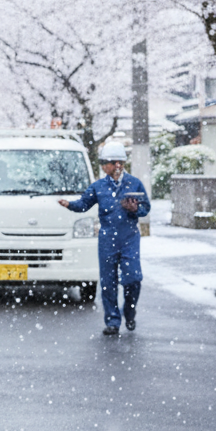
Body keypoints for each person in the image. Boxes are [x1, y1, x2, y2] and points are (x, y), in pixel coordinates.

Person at [59, 141, 151, 335]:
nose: (117, 166)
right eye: (112, 162)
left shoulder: (134, 183)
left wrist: (136, 209)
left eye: (120, 162)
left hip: (129, 238)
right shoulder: (98, 187)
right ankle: (112, 321)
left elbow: (146, 208)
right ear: (104, 166)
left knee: (133, 278)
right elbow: (84, 204)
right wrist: (69, 204)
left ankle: (129, 311)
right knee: (108, 282)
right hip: (107, 239)